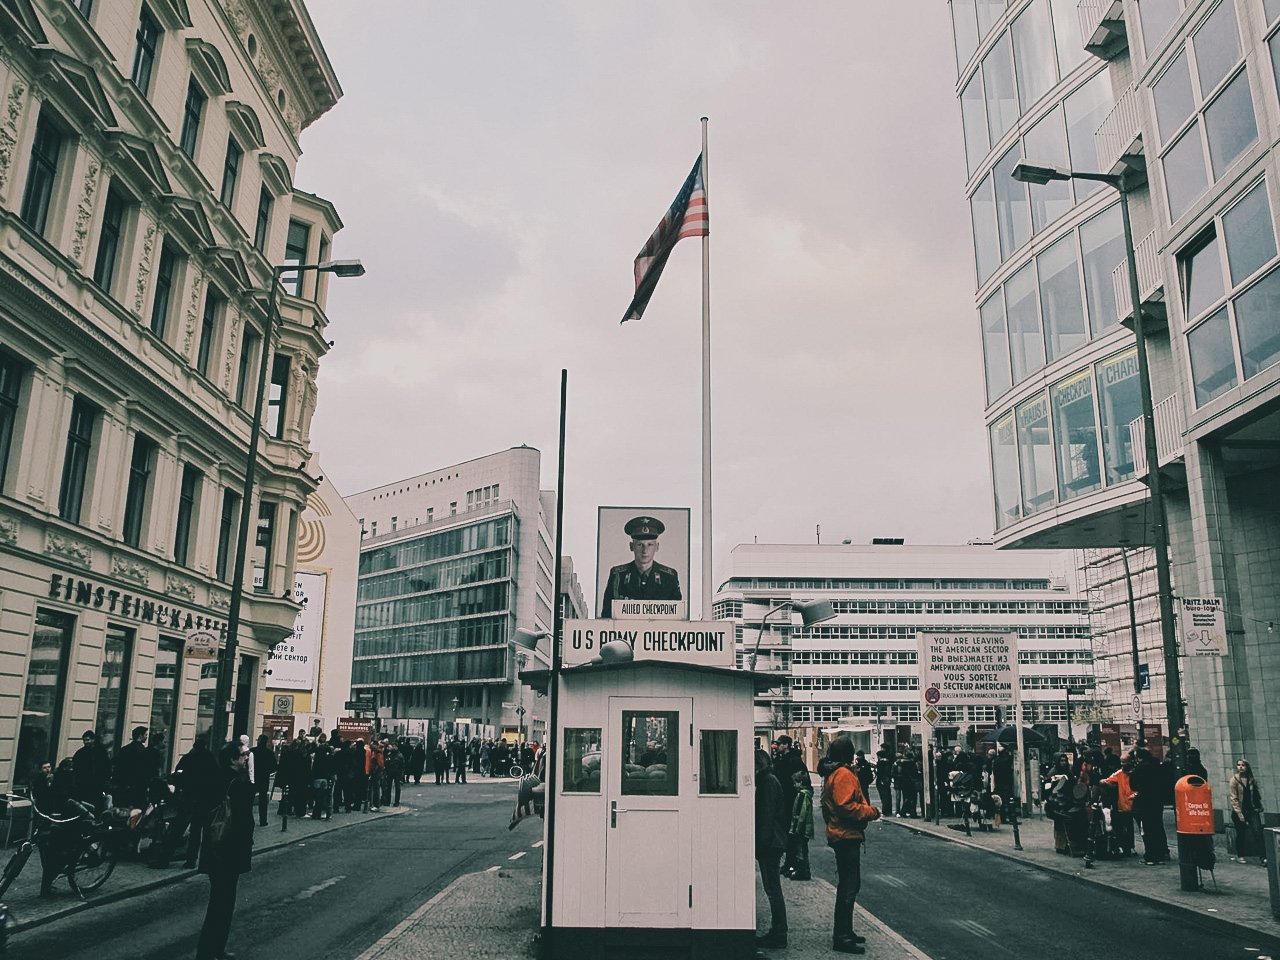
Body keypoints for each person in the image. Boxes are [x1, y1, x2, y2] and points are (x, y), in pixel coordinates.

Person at [195, 741, 255, 960]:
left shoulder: (216, 779)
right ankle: (211, 951)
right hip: (229, 851)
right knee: (223, 905)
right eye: (242, 756)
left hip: (214, 848)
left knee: (218, 903)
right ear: (232, 759)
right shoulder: (236, 784)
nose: (245, 759)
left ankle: (212, 950)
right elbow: (242, 821)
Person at [822, 736, 880, 954]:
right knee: (849, 886)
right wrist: (871, 812)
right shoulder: (844, 774)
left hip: (841, 833)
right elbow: (846, 806)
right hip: (846, 835)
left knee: (848, 886)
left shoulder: (834, 772)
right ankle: (842, 936)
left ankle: (846, 930)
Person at [599, 516, 682, 616]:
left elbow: (677, 618)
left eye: (650, 545)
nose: (645, 550)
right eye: (639, 545)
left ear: (657, 547)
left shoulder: (669, 577)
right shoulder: (618, 576)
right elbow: (606, 616)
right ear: (631, 546)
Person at [754, 749, 788, 949]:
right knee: (773, 889)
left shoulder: (767, 784)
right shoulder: (770, 781)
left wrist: (761, 845)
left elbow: (766, 817)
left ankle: (779, 932)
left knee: (773, 889)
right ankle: (778, 931)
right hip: (774, 841)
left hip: (770, 843)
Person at [772, 735, 806, 875]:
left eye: (780, 744)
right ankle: (790, 864)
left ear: (786, 745)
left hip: (791, 801)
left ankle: (794, 864)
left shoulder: (792, 761)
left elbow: (798, 782)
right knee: (788, 833)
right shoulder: (784, 760)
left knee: (792, 834)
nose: (777, 747)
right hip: (786, 801)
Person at [1129, 748, 1170, 864]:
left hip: (1145, 800)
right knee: (1158, 826)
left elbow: (1132, 784)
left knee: (1147, 828)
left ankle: (1151, 855)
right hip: (1157, 800)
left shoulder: (1140, 768)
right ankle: (1163, 852)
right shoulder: (1158, 766)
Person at [113, 726, 160, 810]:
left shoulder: (124, 749)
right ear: (140, 736)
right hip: (138, 787)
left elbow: (117, 767)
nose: (146, 737)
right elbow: (146, 770)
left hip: (123, 785)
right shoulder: (144, 752)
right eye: (145, 735)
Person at [1230, 759, 1266, 865]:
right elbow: (1234, 798)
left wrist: (1258, 807)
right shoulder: (1234, 780)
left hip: (1252, 810)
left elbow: (1256, 795)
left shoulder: (1251, 779)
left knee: (1258, 833)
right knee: (1241, 833)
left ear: (1247, 767)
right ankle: (1240, 855)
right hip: (1239, 811)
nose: (1240, 767)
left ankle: (1263, 857)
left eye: (1243, 765)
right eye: (1238, 765)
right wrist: (1239, 814)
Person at [1101, 752, 1136, 857]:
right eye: (1122, 762)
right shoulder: (1119, 774)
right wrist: (1107, 783)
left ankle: (1129, 846)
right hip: (1123, 804)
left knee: (1129, 826)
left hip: (1133, 803)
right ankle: (1127, 847)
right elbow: (1106, 781)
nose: (1123, 764)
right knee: (1125, 826)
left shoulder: (1133, 773)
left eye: (1125, 762)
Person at [785, 769, 814, 881]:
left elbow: (800, 813)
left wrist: (795, 828)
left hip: (801, 828)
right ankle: (803, 869)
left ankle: (803, 870)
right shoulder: (807, 795)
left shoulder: (802, 795)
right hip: (805, 827)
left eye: (795, 782)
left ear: (801, 783)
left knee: (800, 849)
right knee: (802, 849)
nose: (794, 785)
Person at [72, 730, 112, 810]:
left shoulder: (101, 751)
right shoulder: (80, 753)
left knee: (97, 802)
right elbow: (76, 768)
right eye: (84, 740)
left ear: (93, 739)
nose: (86, 742)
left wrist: (105, 779)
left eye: (88, 740)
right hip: (85, 784)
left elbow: (107, 766)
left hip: (98, 783)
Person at [249, 735, 277, 827]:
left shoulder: (252, 751)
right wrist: (267, 771)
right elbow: (274, 767)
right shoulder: (269, 753)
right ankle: (263, 820)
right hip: (264, 778)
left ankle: (249, 819)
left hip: (253, 777)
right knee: (263, 800)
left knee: (250, 799)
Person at [874, 748, 893, 817]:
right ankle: (888, 810)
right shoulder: (888, 762)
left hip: (881, 781)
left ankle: (885, 811)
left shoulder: (881, 763)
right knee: (888, 795)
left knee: (883, 796)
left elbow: (879, 773)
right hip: (887, 781)